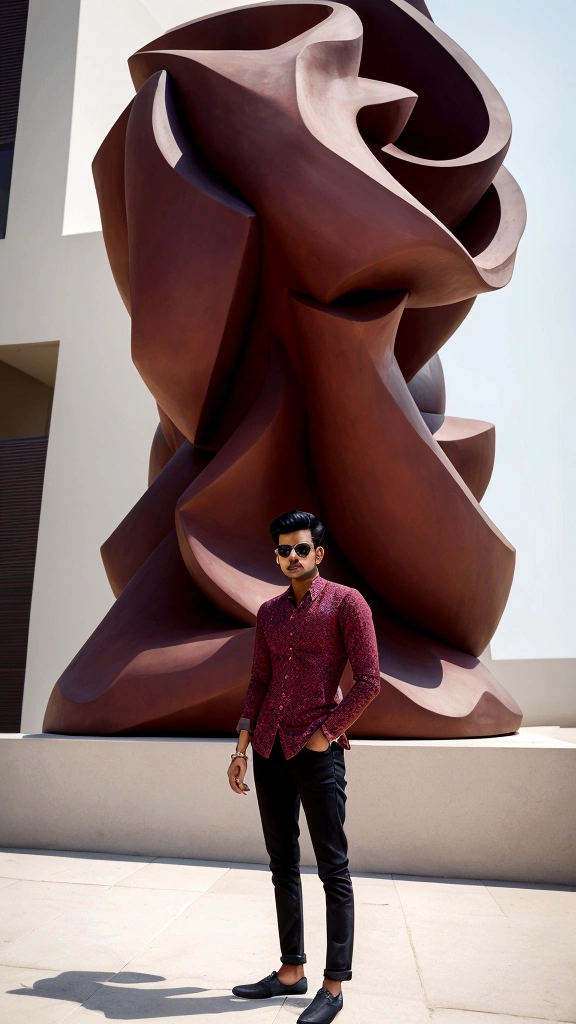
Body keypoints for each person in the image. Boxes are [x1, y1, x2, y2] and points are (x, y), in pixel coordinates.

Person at [227, 510, 380, 1024]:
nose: (291, 557)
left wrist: (326, 734)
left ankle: (333, 987)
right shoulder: (268, 612)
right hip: (269, 749)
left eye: (300, 548)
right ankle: (291, 971)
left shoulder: (346, 603)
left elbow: (369, 680)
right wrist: (241, 748)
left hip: (317, 753)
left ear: (319, 552)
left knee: (333, 868)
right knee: (282, 863)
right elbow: (257, 682)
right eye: (282, 550)